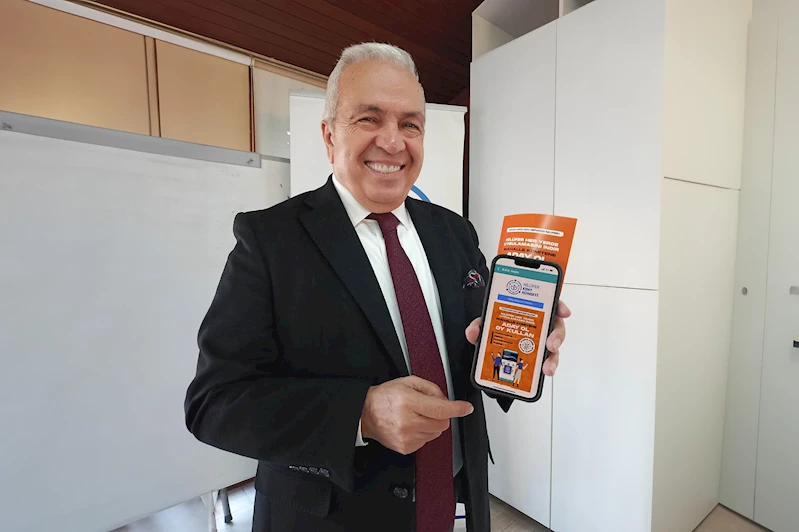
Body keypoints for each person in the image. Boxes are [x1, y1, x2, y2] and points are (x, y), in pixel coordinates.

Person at [184, 43, 570, 532]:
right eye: (369, 118)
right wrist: (360, 414)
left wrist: (519, 342)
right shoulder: (270, 240)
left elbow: (467, 345)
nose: (393, 142)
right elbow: (214, 403)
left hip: (452, 501)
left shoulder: (454, 231)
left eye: (410, 124)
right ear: (329, 135)